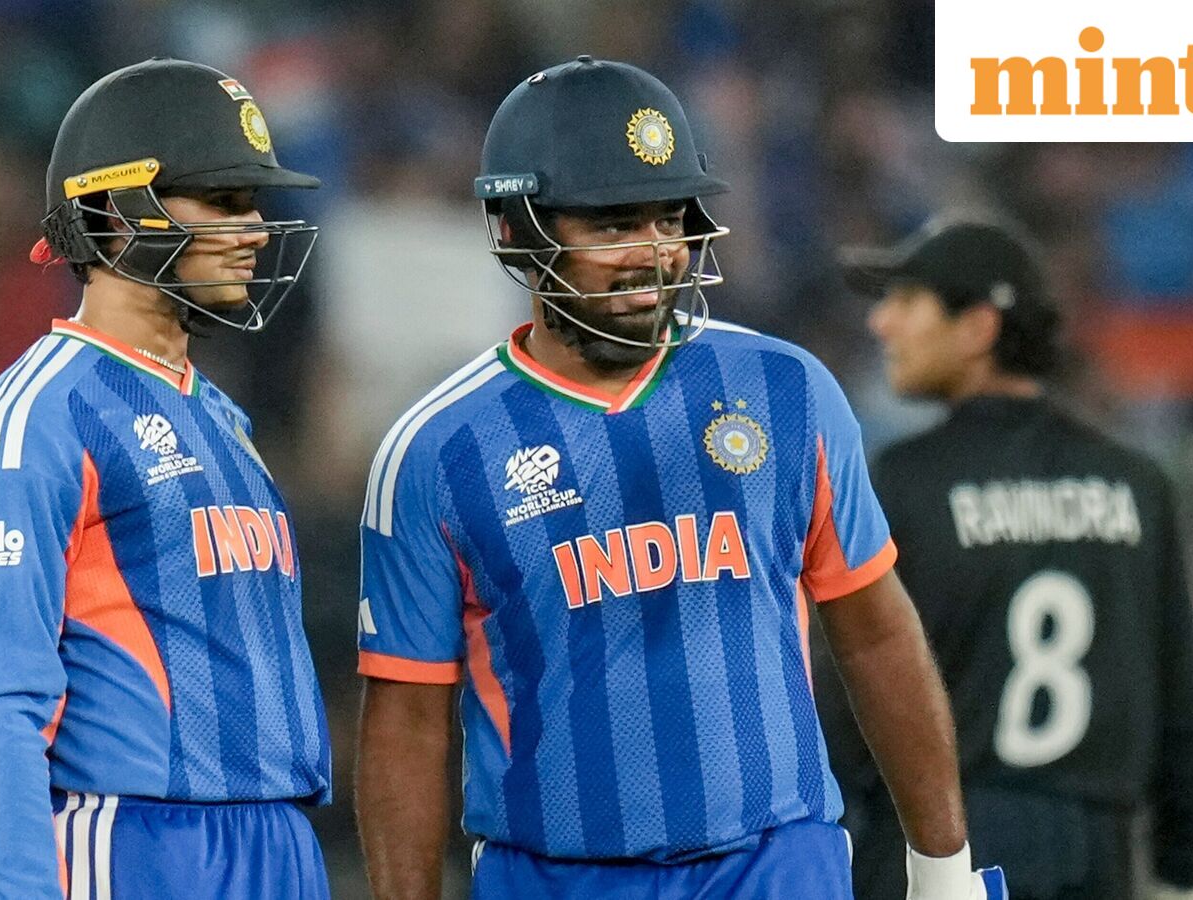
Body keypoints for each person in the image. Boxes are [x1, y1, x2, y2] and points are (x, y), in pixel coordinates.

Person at [352, 56, 1005, 900]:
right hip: (552, 880)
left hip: (777, 864)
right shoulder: (436, 451)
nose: (654, 253)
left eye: (669, 219)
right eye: (614, 224)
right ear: (515, 229)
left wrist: (944, 870)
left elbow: (875, 632)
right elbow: (406, 722)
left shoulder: (788, 390)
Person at [0, 58, 332, 899]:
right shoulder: (38, 416)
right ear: (116, 214)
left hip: (278, 842)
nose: (255, 229)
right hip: (139, 845)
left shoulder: (220, 414)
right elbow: (6, 705)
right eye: (223, 201)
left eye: (252, 203)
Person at [821, 216, 1193, 900]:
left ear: (979, 327)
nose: (881, 322)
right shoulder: (1134, 483)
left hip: (945, 845)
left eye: (908, 301)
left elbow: (852, 687)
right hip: (1097, 854)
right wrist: (1185, 864)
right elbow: (1180, 701)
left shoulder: (905, 480)